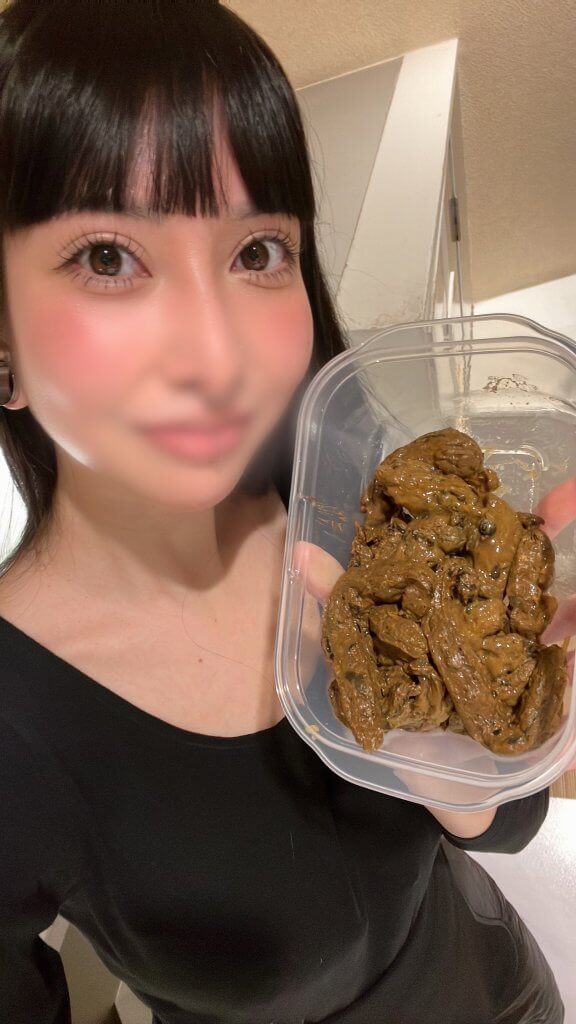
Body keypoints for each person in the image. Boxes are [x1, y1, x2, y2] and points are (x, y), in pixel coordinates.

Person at [0, 2, 570, 1022]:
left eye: (258, 250)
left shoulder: (344, 484)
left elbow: (504, 822)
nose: (218, 351)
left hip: (502, 987)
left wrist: (472, 756)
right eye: (107, 257)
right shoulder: (14, 731)